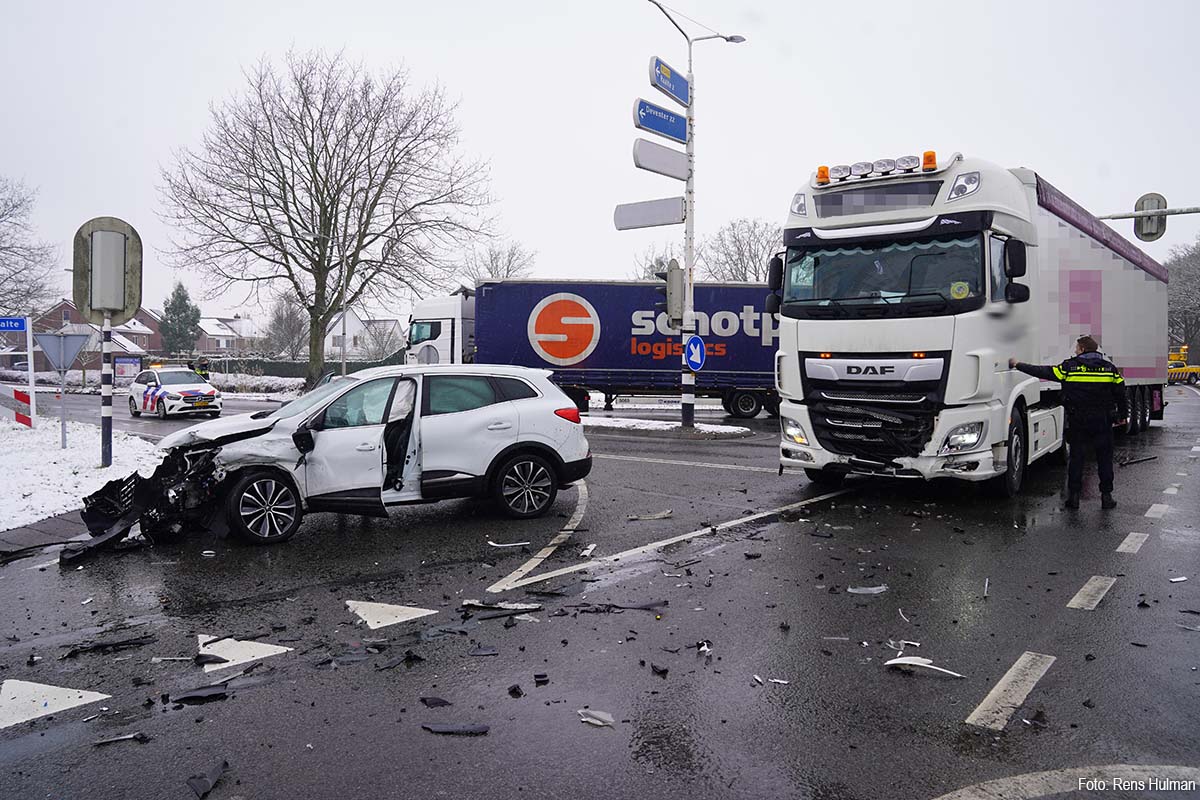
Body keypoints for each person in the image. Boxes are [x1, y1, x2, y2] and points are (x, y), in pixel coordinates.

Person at [1009, 335, 1128, 509]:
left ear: (1082, 349)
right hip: (1102, 421)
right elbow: (1120, 392)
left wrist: (1018, 365)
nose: (1075, 351)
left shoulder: (1069, 367)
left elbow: (1043, 372)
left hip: (1078, 420)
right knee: (1104, 459)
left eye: (1077, 348)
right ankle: (1106, 497)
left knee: (1077, 458)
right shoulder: (1110, 369)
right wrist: (1122, 415)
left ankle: (1074, 498)